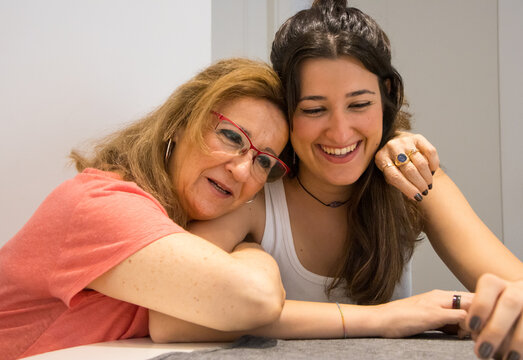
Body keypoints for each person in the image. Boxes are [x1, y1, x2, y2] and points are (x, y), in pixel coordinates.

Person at [149, 2, 523, 360]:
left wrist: (496, 310)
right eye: (314, 109)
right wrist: (381, 320)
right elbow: (172, 318)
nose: (340, 132)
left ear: (387, 95)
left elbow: (516, 285)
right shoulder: (254, 198)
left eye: (359, 104)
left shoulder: (413, 177)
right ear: (287, 111)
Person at [0, 58, 292, 360]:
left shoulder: (171, 228)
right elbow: (257, 298)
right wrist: (251, 248)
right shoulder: (101, 205)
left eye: (264, 162)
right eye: (231, 136)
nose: (243, 171)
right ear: (180, 122)